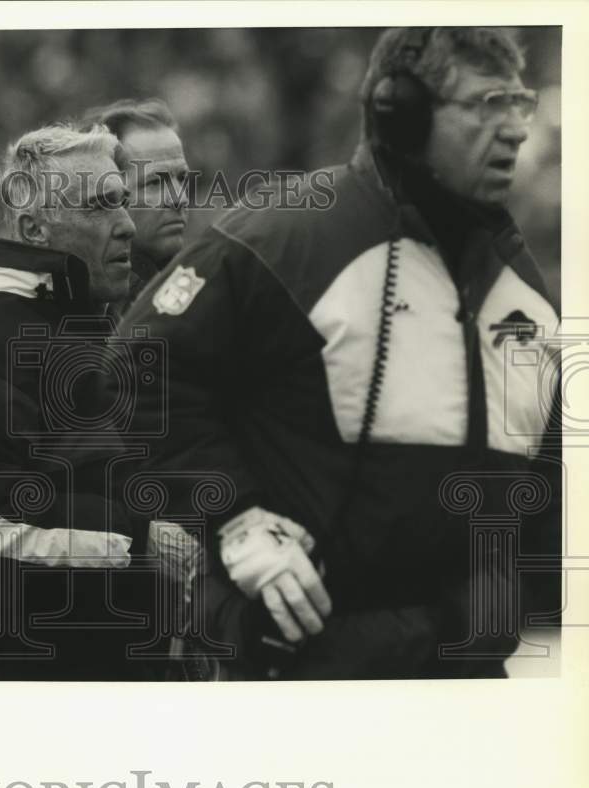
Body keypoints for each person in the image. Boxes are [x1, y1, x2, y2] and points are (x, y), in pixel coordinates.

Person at [120, 27, 560, 679]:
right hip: (309, 676)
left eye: (518, 103)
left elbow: (543, 481)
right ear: (398, 113)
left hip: (470, 681)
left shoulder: (521, 284)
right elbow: (138, 367)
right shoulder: (283, 236)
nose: (515, 130)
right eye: (485, 104)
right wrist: (234, 519)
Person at [0, 124, 199, 680]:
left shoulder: (101, 332)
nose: (128, 225)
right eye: (100, 206)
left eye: (124, 202)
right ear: (35, 227)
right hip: (36, 694)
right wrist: (142, 537)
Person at [81, 99, 190, 317]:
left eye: (182, 178)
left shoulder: (183, 284)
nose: (180, 199)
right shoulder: (100, 308)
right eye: (154, 183)